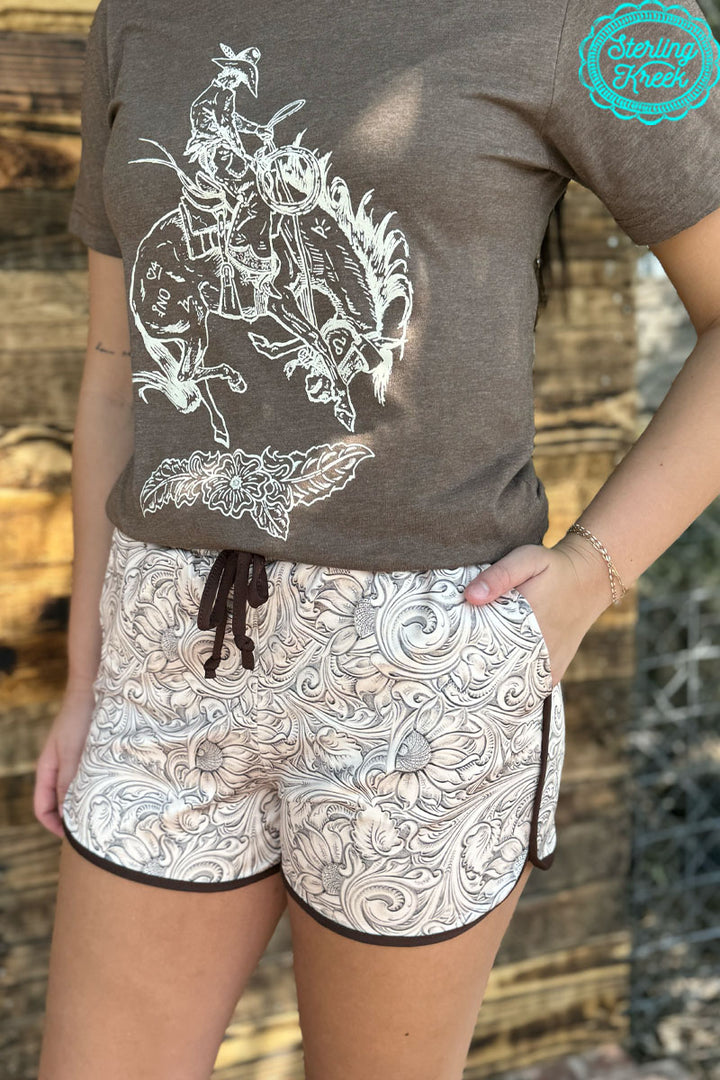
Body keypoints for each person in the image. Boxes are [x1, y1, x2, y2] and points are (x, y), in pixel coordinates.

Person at [35, 1, 720, 1077]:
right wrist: (89, 679)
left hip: (417, 671)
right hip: (163, 659)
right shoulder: (140, 13)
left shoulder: (588, 16)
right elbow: (118, 369)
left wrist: (589, 578)